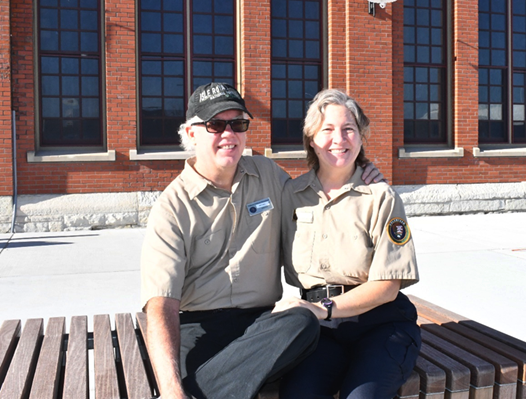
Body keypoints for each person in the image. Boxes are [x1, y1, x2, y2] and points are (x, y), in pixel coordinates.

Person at [141, 83, 382, 399]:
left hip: (265, 327)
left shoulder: (268, 175)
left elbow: (320, 200)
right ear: (191, 133)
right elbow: (160, 305)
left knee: (303, 320)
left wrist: (360, 177)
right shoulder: (173, 206)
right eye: (215, 124)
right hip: (200, 330)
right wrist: (172, 391)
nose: (229, 134)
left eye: (238, 124)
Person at [273, 89, 422, 399]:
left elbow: (388, 287)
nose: (338, 139)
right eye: (327, 129)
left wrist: (323, 309)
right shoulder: (290, 195)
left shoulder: (381, 198)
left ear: (360, 136)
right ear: (311, 138)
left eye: (348, 129)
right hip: (321, 332)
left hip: (381, 324)